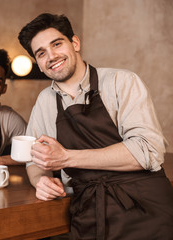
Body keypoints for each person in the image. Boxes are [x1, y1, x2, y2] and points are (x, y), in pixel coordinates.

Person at [18, 13, 173, 239]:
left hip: (144, 208)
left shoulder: (121, 82)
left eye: (57, 44)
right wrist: (39, 180)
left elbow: (146, 149)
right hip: (88, 212)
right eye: (41, 53)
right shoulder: (45, 101)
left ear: (75, 43)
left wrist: (67, 158)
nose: (51, 56)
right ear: (38, 64)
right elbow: (34, 157)